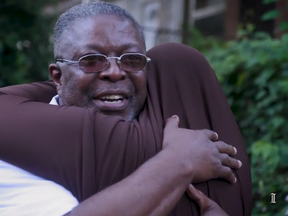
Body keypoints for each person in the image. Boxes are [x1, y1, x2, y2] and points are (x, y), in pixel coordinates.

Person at [0, 2, 252, 216]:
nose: (114, 72)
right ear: (57, 77)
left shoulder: (168, 126)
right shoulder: (12, 156)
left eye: (132, 60)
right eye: (91, 61)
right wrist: (179, 162)